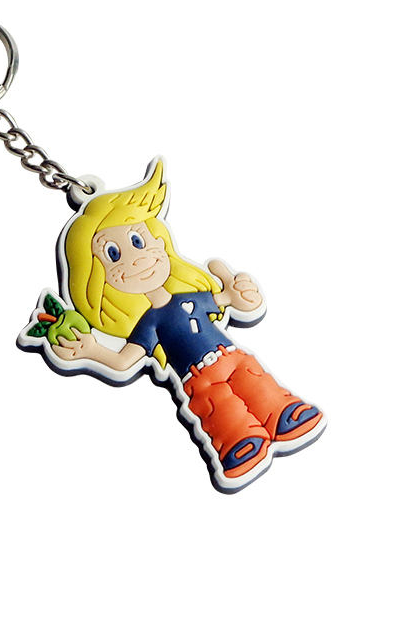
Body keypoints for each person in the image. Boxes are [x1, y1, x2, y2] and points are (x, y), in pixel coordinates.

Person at [30, 159, 324, 491]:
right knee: (222, 412)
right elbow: (124, 360)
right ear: (100, 278)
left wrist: (241, 294)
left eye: (137, 242)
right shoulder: (148, 323)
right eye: (113, 254)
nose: (135, 259)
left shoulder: (192, 297)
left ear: (158, 241)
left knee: (259, 386)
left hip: (234, 358)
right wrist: (91, 350)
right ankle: (240, 444)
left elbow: (230, 300)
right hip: (199, 380)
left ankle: (283, 415)